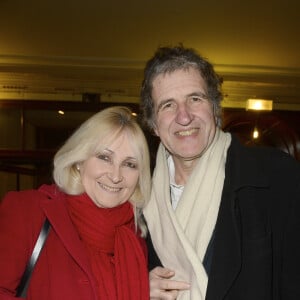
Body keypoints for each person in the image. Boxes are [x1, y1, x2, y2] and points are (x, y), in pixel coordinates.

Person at [140, 45, 300, 300]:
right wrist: (136, 287)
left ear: (215, 109)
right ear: (154, 125)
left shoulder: (276, 176)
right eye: (168, 105)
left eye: (195, 98)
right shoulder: (137, 197)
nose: (184, 116)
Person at [0, 106, 151, 300]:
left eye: (130, 164)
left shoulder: (135, 238)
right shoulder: (29, 211)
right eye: (104, 157)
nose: (115, 176)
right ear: (79, 160)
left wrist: (144, 287)